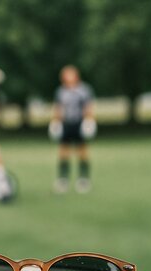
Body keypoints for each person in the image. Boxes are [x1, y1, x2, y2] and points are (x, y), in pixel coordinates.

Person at [52, 65, 96, 194]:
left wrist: (89, 120)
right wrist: (56, 121)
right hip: (67, 124)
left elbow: (88, 106)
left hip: (79, 123)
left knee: (82, 151)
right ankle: (63, 180)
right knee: (63, 152)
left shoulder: (84, 90)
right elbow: (58, 107)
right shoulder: (60, 91)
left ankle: (83, 179)